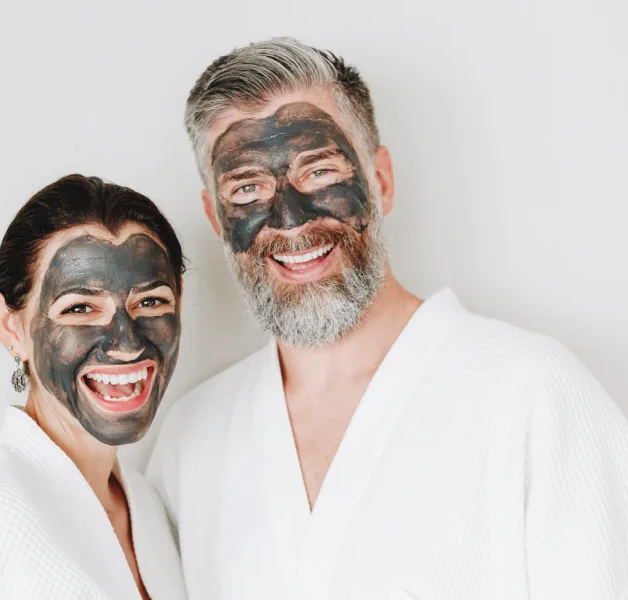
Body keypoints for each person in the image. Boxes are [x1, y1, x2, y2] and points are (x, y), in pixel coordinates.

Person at [147, 37, 628, 600]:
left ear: (382, 180)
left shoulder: (534, 396)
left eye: (319, 171)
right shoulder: (191, 439)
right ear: (214, 215)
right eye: (247, 187)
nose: (291, 220)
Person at [0, 175, 188, 600]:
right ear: (10, 325)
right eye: (81, 308)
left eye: (152, 301)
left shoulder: (147, 505)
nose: (127, 343)